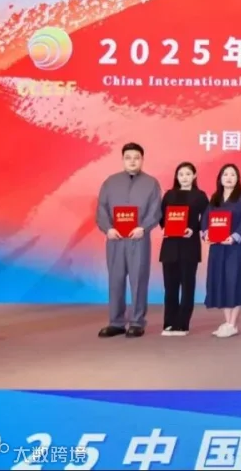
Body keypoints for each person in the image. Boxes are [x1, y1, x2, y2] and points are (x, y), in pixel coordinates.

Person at [95, 142, 162, 339]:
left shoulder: (151, 183)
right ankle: (116, 322)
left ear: (142, 160)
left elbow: (155, 210)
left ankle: (137, 322)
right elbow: (102, 208)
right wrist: (108, 228)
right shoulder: (110, 182)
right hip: (115, 239)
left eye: (136, 158)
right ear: (123, 159)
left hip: (138, 238)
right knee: (115, 280)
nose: (132, 161)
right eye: (128, 158)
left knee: (139, 279)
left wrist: (144, 228)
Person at [202, 163, 241, 338]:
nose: (229, 178)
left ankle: (232, 323)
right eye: (225, 174)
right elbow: (205, 219)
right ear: (220, 178)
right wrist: (206, 234)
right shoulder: (215, 198)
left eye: (233, 175)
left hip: (235, 248)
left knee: (235, 281)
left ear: (237, 178)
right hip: (217, 248)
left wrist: (234, 236)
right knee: (221, 282)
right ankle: (227, 322)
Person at [158, 161, 209, 336]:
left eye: (188, 174)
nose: (184, 177)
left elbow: (206, 218)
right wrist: (164, 227)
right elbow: (161, 217)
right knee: (170, 287)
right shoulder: (169, 195)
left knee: (187, 286)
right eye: (181, 174)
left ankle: (183, 324)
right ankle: (169, 323)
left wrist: (193, 229)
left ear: (194, 176)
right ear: (176, 177)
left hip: (189, 244)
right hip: (170, 245)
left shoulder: (200, 196)